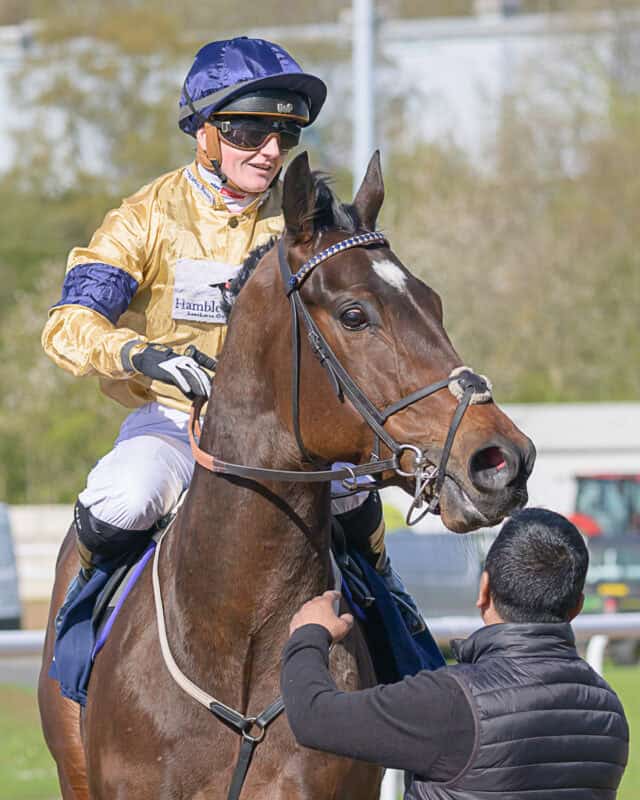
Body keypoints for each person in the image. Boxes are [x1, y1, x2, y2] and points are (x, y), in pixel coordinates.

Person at [42, 36, 422, 634]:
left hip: (287, 430)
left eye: (286, 136)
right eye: (250, 132)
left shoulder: (307, 223)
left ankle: (400, 629)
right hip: (174, 421)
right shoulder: (143, 218)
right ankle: (76, 640)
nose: (271, 152)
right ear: (206, 132)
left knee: (353, 500)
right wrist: (141, 356)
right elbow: (67, 326)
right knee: (124, 496)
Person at [281, 508, 629, 799]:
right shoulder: (608, 710)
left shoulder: (450, 700)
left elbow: (313, 717)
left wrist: (309, 634)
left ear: (484, 589)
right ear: (577, 607)